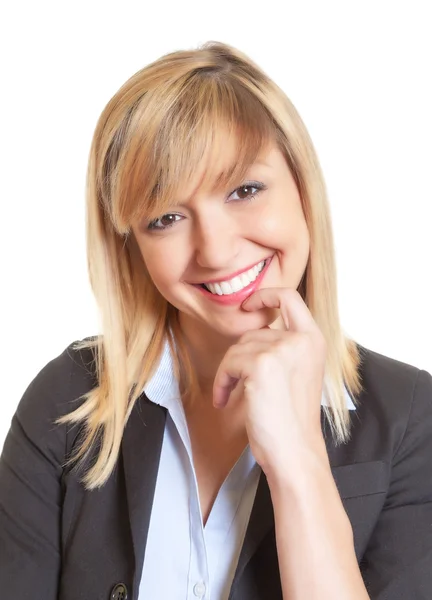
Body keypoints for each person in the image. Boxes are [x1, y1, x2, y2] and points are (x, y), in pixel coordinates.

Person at [0, 40, 431, 600]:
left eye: (244, 190)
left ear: (302, 187)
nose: (217, 251)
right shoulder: (71, 397)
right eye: (167, 218)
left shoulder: (410, 418)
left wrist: (298, 458)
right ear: (131, 246)